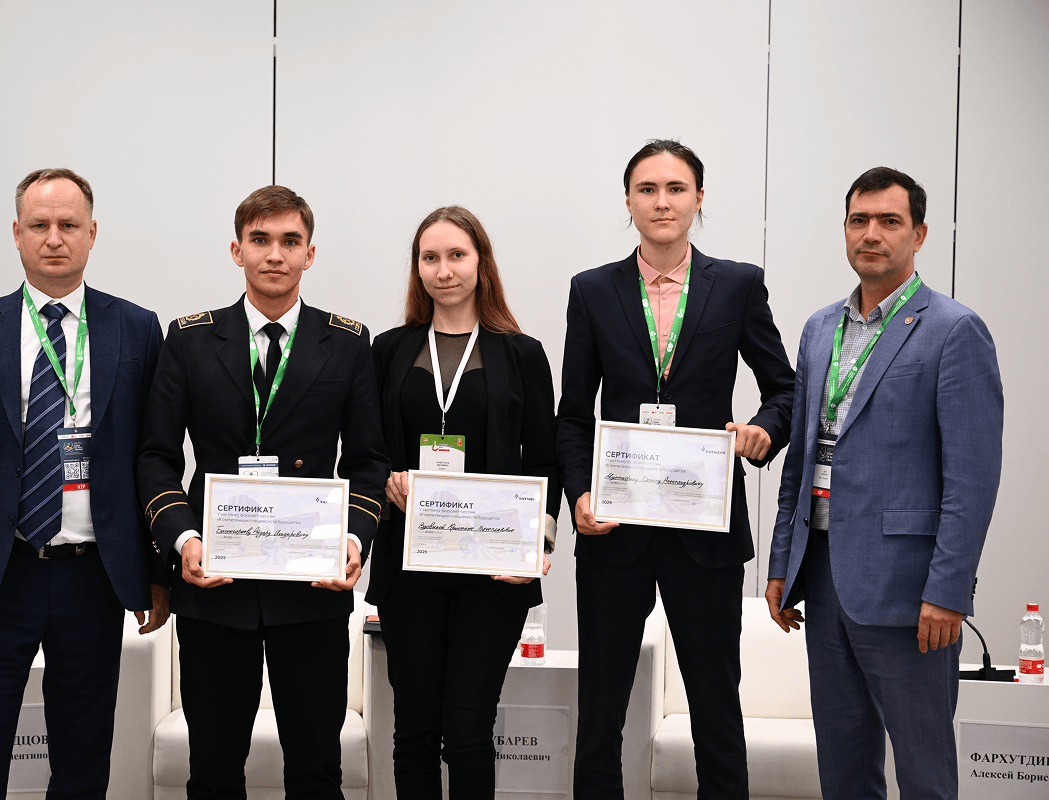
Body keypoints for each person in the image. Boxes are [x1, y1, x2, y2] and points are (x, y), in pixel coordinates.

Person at [0, 168, 170, 798]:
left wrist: (155, 572)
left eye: (68, 225)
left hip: (94, 573)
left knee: (84, 751)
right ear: (16, 233)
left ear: (92, 234)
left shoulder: (136, 328)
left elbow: (154, 457)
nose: (54, 238)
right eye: (39, 225)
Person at [556, 139, 795, 799]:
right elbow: (572, 416)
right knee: (600, 709)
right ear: (628, 201)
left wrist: (761, 431)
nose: (662, 202)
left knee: (715, 704)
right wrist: (579, 495)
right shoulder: (593, 290)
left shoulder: (737, 284)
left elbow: (784, 389)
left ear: (699, 198)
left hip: (705, 527)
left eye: (676, 188)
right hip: (615, 529)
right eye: (647, 189)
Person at [136, 185, 389, 800]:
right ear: (237, 250)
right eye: (260, 240)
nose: (275, 254)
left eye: (290, 241)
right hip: (213, 586)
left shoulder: (347, 342)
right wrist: (184, 540)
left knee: (316, 773)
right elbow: (156, 457)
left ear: (309, 254)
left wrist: (353, 540)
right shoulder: (190, 338)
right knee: (213, 772)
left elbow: (367, 462)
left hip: (312, 589)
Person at [766, 167, 1002, 800]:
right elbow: (803, 459)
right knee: (843, 771)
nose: (871, 234)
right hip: (823, 579)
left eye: (889, 221)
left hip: (910, 591)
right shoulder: (820, 328)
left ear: (918, 234)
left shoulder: (954, 330)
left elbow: (972, 480)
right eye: (859, 220)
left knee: (924, 774)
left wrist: (948, 591)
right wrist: (783, 563)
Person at [368, 206, 559, 798]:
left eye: (457, 255)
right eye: (430, 258)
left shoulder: (522, 354)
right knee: (414, 731)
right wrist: (387, 477)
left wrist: (540, 544)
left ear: (481, 263)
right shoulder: (388, 349)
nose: (443, 270)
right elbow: (367, 450)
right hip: (409, 568)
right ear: (417, 268)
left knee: (469, 730)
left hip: (492, 572)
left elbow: (546, 459)